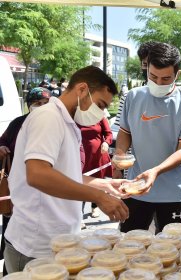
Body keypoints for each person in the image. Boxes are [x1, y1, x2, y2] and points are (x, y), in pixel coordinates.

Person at [4, 66, 129, 273]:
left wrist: (105, 184)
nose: (101, 113)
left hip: (59, 243)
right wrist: (98, 197)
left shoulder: (67, 122)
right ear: (81, 89)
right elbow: (38, 174)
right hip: (35, 246)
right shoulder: (48, 117)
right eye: (100, 104)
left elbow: (64, 175)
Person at [115, 42, 181, 233]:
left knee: (171, 250)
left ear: (177, 75)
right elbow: (124, 133)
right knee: (129, 245)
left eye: (165, 79)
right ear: (147, 68)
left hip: (174, 193)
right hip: (136, 189)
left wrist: (156, 171)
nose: (158, 83)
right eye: (153, 77)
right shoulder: (133, 97)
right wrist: (120, 153)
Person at [0, 87, 52, 276]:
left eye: (45, 104)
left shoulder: (55, 125)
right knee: (14, 236)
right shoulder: (17, 124)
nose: (41, 108)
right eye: (37, 104)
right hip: (18, 189)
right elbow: (2, 141)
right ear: (29, 106)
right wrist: (3, 147)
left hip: (46, 191)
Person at [78, 117, 114, 218]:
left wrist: (106, 142)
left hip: (98, 157)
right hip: (82, 157)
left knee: (97, 182)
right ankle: (79, 213)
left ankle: (95, 206)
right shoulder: (74, 117)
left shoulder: (99, 116)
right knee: (81, 183)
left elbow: (109, 134)